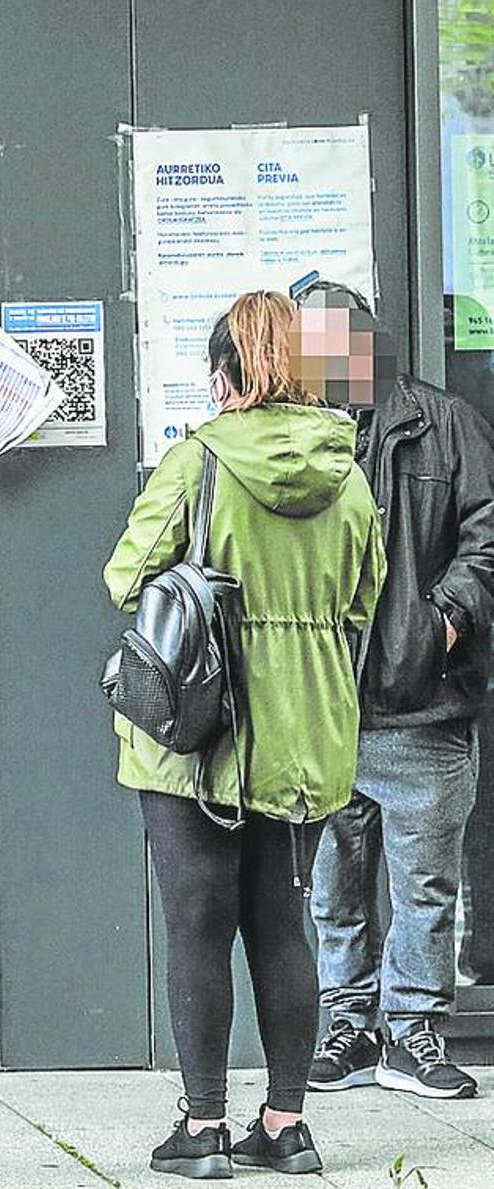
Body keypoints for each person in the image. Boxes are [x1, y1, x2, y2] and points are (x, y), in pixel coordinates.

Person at [104, 291, 386, 1179]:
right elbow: (363, 597)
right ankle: (288, 1123)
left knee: (197, 926)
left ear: (224, 374)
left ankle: (204, 1127)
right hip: (307, 726)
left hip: (202, 729)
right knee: (282, 923)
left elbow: (127, 576)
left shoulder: (199, 460)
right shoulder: (349, 471)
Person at [292, 281, 494, 1101]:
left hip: (422, 706)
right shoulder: (292, 435)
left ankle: (412, 1032)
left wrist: (438, 625)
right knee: (333, 886)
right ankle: (348, 1025)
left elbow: (487, 539)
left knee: (424, 887)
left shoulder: (445, 425)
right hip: (323, 707)